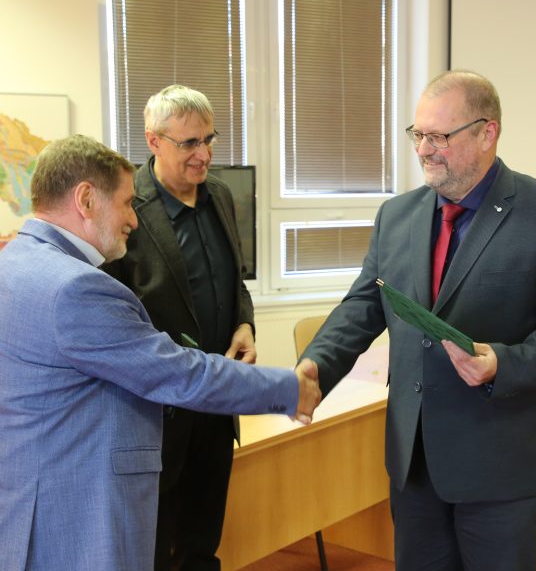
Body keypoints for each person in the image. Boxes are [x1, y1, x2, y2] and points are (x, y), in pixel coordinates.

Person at [301, 70, 536, 571]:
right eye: (418, 134)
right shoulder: (396, 216)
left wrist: (502, 362)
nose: (424, 150)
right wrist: (315, 366)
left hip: (502, 467)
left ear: (487, 133)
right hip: (415, 463)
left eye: (439, 136)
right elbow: (362, 307)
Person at [0, 134, 320, 571]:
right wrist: (288, 388)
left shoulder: (15, 259)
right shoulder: (77, 288)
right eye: (127, 203)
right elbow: (177, 373)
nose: (134, 220)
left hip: (33, 500)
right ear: (86, 199)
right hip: (75, 514)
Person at [103, 85, 252, 570]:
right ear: (154, 141)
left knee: (202, 542)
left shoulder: (220, 195)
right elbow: (110, 311)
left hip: (217, 400)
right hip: (157, 411)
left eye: (208, 139)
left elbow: (235, 280)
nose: (203, 154)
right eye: (189, 143)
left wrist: (245, 324)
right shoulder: (126, 206)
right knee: (155, 546)